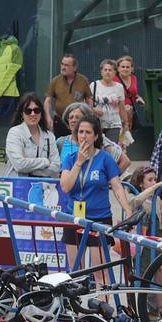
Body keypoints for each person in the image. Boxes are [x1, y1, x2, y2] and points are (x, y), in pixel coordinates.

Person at [59, 112, 132, 275]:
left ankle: (100, 301)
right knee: (75, 272)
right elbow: (65, 186)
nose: (83, 136)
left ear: (96, 135)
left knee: (100, 274)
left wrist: (127, 209)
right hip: (74, 217)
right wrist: (79, 162)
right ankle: (76, 300)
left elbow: (117, 186)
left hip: (99, 219)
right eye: (80, 132)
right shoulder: (70, 159)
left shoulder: (105, 158)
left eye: (88, 132)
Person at [58, 102, 130, 171]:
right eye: (71, 117)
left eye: (77, 117)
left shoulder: (99, 139)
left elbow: (125, 161)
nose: (73, 120)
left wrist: (110, 180)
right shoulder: (61, 142)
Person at [5, 92, 58, 177]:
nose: (33, 114)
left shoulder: (49, 136)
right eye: (28, 111)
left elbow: (56, 168)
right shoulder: (14, 133)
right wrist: (45, 162)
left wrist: (29, 168)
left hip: (44, 187)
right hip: (19, 186)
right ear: (22, 114)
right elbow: (20, 165)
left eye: (36, 110)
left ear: (41, 114)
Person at [44, 52, 91, 136]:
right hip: (60, 121)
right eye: (62, 64)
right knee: (60, 145)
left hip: (77, 121)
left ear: (74, 67)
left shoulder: (83, 80)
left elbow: (89, 100)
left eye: (66, 65)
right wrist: (48, 117)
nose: (63, 67)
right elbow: (47, 101)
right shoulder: (55, 81)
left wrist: (90, 117)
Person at [91, 58, 126, 144]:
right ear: (101, 72)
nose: (107, 72)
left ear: (114, 72)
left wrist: (125, 124)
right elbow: (87, 104)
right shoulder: (94, 85)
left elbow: (122, 107)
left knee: (112, 148)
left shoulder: (119, 87)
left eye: (110, 70)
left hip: (114, 125)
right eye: (105, 69)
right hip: (97, 124)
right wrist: (94, 109)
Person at [117, 54, 144, 146]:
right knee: (121, 132)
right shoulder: (114, 79)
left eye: (128, 67)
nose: (125, 69)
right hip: (116, 112)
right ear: (118, 68)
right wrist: (122, 107)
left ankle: (123, 149)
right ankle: (120, 149)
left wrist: (138, 98)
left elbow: (133, 93)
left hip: (129, 113)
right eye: (123, 67)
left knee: (126, 133)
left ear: (132, 68)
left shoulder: (134, 78)